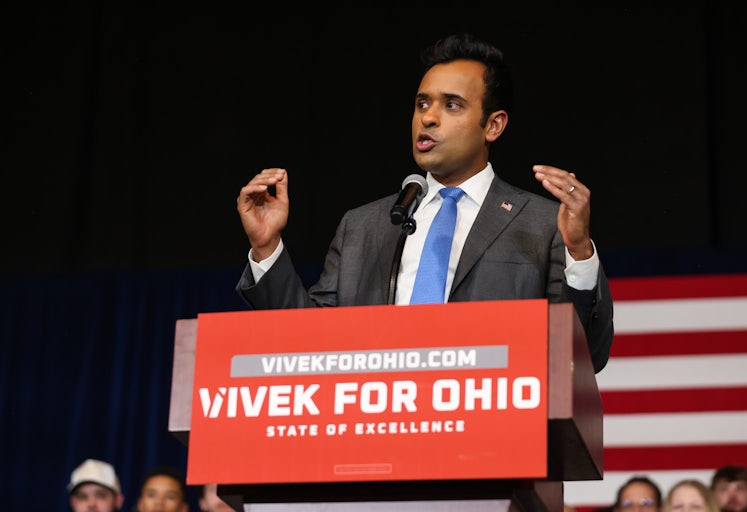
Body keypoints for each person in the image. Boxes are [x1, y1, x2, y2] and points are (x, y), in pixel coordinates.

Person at [235, 32, 614, 373]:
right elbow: (307, 344)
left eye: (451, 105)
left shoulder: (542, 224)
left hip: (491, 436)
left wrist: (578, 252)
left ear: (493, 125)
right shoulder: (363, 226)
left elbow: (582, 357)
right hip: (381, 431)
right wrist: (266, 248)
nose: (428, 118)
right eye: (422, 103)